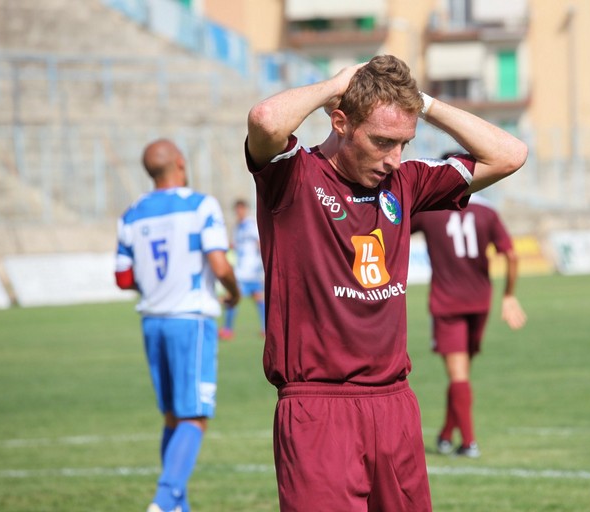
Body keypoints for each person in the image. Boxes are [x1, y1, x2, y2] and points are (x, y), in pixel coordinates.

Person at [245, 55, 527, 511]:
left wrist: (424, 103)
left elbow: (510, 154)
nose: (395, 159)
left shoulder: (407, 183)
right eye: (381, 141)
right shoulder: (293, 176)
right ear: (340, 122)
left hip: (395, 405)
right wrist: (335, 83)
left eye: (404, 143)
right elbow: (265, 119)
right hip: (319, 407)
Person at [114, 138, 240, 512]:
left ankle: (177, 504)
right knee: (195, 415)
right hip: (191, 319)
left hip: (153, 320)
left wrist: (154, 284)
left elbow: (122, 277)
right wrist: (232, 292)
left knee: (172, 415)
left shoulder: (132, 214)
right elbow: (218, 264)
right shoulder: (200, 205)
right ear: (181, 163)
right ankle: (165, 500)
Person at [411, 185, 527, 458]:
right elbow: (511, 254)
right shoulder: (487, 211)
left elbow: (394, 229)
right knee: (461, 374)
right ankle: (446, 434)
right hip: (480, 302)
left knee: (458, 375)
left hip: (447, 303)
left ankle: (469, 443)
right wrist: (509, 295)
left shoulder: (431, 209)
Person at [218, 198, 265, 340]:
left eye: (241, 209)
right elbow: (236, 246)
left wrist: (262, 265)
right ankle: (228, 329)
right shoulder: (237, 228)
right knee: (236, 297)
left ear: (245, 209)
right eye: (237, 209)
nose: (239, 212)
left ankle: (266, 328)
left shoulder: (251, 225)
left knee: (258, 299)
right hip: (241, 271)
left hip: (253, 270)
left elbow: (259, 243)